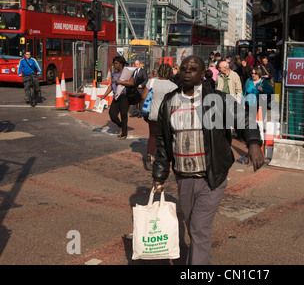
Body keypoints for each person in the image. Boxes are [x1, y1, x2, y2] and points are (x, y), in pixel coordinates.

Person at [151, 55, 265, 265]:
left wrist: (254, 143)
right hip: (183, 178)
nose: (187, 72)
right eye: (184, 68)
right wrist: (159, 175)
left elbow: (245, 119)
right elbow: (163, 142)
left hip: (212, 177)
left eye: (193, 69)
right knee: (195, 229)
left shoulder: (218, 100)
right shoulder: (169, 102)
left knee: (199, 229)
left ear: (202, 74)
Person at [141, 63, 178, 168]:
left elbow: (143, 96)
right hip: (166, 116)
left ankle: (150, 155)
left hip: (152, 114)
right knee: (166, 137)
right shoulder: (173, 86)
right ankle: (164, 157)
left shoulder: (151, 82)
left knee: (152, 135)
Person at [100, 56, 135, 140]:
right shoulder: (114, 74)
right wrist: (104, 95)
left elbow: (132, 83)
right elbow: (111, 86)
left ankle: (124, 133)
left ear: (121, 63)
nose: (115, 65)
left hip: (124, 97)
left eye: (117, 63)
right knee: (112, 114)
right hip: (116, 97)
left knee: (123, 114)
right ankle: (121, 126)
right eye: (114, 63)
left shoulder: (127, 73)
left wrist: (121, 82)